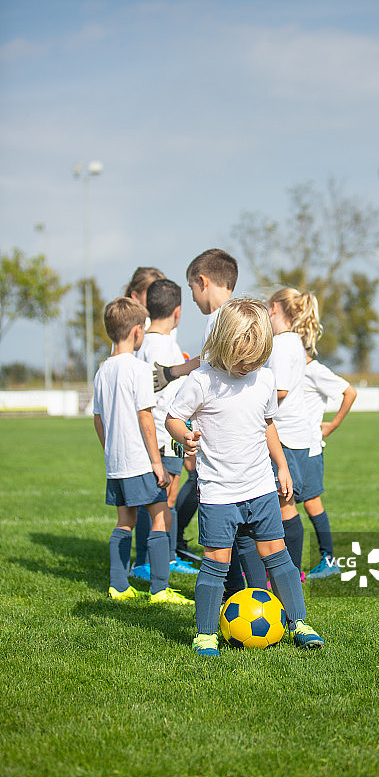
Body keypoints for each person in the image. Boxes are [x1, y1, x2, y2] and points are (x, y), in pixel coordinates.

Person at [165, 298, 324, 657]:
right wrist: (184, 435)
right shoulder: (202, 381)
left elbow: (267, 425)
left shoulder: (264, 379)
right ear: (222, 344)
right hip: (219, 492)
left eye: (255, 359)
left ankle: (298, 622)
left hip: (261, 488)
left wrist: (281, 466)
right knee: (216, 562)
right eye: (242, 359)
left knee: (278, 555)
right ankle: (206, 633)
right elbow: (173, 417)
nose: (248, 366)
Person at [157, 248, 267, 594]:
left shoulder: (220, 320)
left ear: (203, 281)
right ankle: (246, 594)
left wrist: (171, 372)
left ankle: (239, 591)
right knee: (243, 533)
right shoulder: (245, 316)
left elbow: (205, 365)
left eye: (191, 289)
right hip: (240, 441)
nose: (192, 298)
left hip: (221, 439)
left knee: (230, 527)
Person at [93, 296, 194, 606]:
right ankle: (160, 588)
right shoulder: (137, 369)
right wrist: (157, 463)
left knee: (125, 521)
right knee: (161, 515)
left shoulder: (102, 371)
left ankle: (119, 585)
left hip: (117, 463)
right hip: (141, 461)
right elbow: (145, 417)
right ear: (138, 331)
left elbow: (98, 419)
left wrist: (109, 450)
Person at [130, 278, 199, 580]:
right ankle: (153, 561)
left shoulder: (144, 342)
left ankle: (158, 558)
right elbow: (166, 391)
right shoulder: (164, 346)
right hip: (162, 433)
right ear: (178, 312)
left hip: (155, 433)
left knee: (158, 500)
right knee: (161, 500)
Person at [266, 287, 317, 575]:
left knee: (284, 507)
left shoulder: (283, 344)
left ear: (274, 308)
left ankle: (289, 573)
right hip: (294, 434)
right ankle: (288, 572)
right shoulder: (293, 342)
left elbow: (280, 390)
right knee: (285, 505)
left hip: (285, 436)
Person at [302, 330, 357, 578]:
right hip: (288, 448)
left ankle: (329, 559)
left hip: (309, 449)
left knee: (311, 503)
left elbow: (350, 392)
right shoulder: (286, 370)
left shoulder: (315, 370)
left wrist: (333, 424)